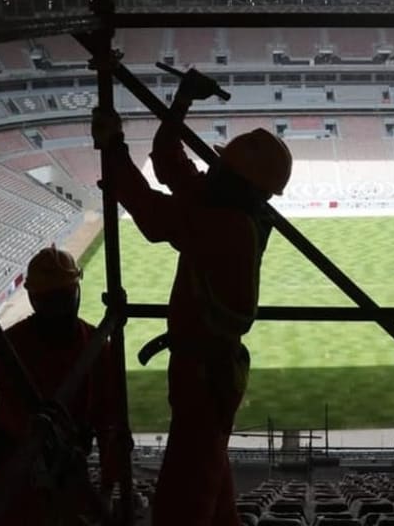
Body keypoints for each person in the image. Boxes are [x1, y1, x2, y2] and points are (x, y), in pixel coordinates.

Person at [91, 72, 292, 526]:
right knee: (214, 503)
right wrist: (181, 101)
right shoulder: (231, 210)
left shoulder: (223, 225)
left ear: (234, 178)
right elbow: (167, 160)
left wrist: (114, 147)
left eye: (220, 164)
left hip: (204, 378)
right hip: (208, 374)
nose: (211, 166)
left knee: (181, 509)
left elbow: (150, 213)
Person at [0, 245, 126, 525]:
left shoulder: (11, 345)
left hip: (41, 469)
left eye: (63, 298)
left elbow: (109, 424)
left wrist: (106, 489)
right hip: (28, 468)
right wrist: (105, 490)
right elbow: (108, 426)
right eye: (53, 300)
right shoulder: (94, 346)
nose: (59, 308)